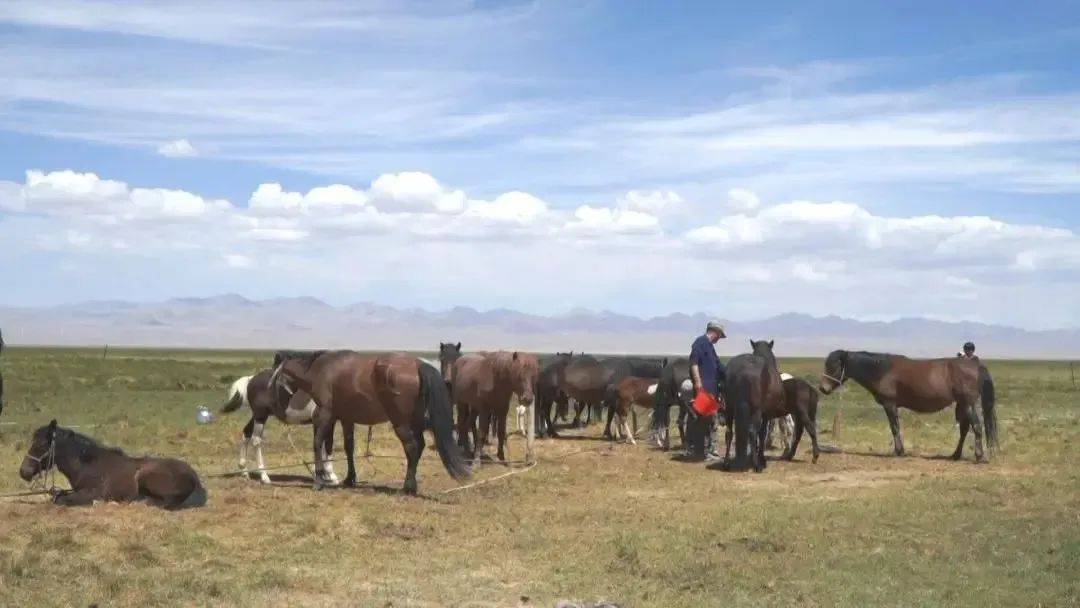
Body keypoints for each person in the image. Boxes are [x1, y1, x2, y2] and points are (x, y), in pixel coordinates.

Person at [687, 321, 727, 460]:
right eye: (720, 336)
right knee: (704, 420)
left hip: (712, 390)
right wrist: (698, 382)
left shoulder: (710, 347)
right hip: (703, 389)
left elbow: (719, 366)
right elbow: (694, 363)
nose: (719, 339)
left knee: (712, 419)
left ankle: (710, 450)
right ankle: (701, 451)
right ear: (715, 332)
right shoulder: (700, 342)